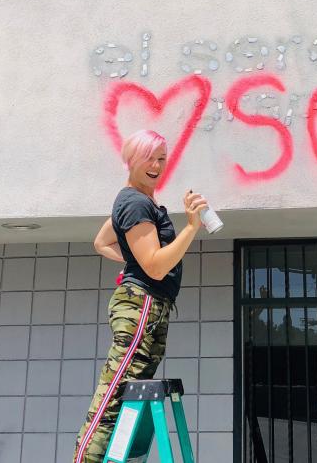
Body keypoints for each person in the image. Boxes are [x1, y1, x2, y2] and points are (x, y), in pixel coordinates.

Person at [73, 129, 208, 463]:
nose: (157, 164)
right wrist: (191, 227)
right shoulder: (134, 203)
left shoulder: (137, 201)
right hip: (142, 303)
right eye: (149, 157)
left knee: (127, 391)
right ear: (131, 160)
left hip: (151, 305)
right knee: (114, 393)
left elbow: (102, 242)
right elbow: (156, 267)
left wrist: (134, 259)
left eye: (162, 158)